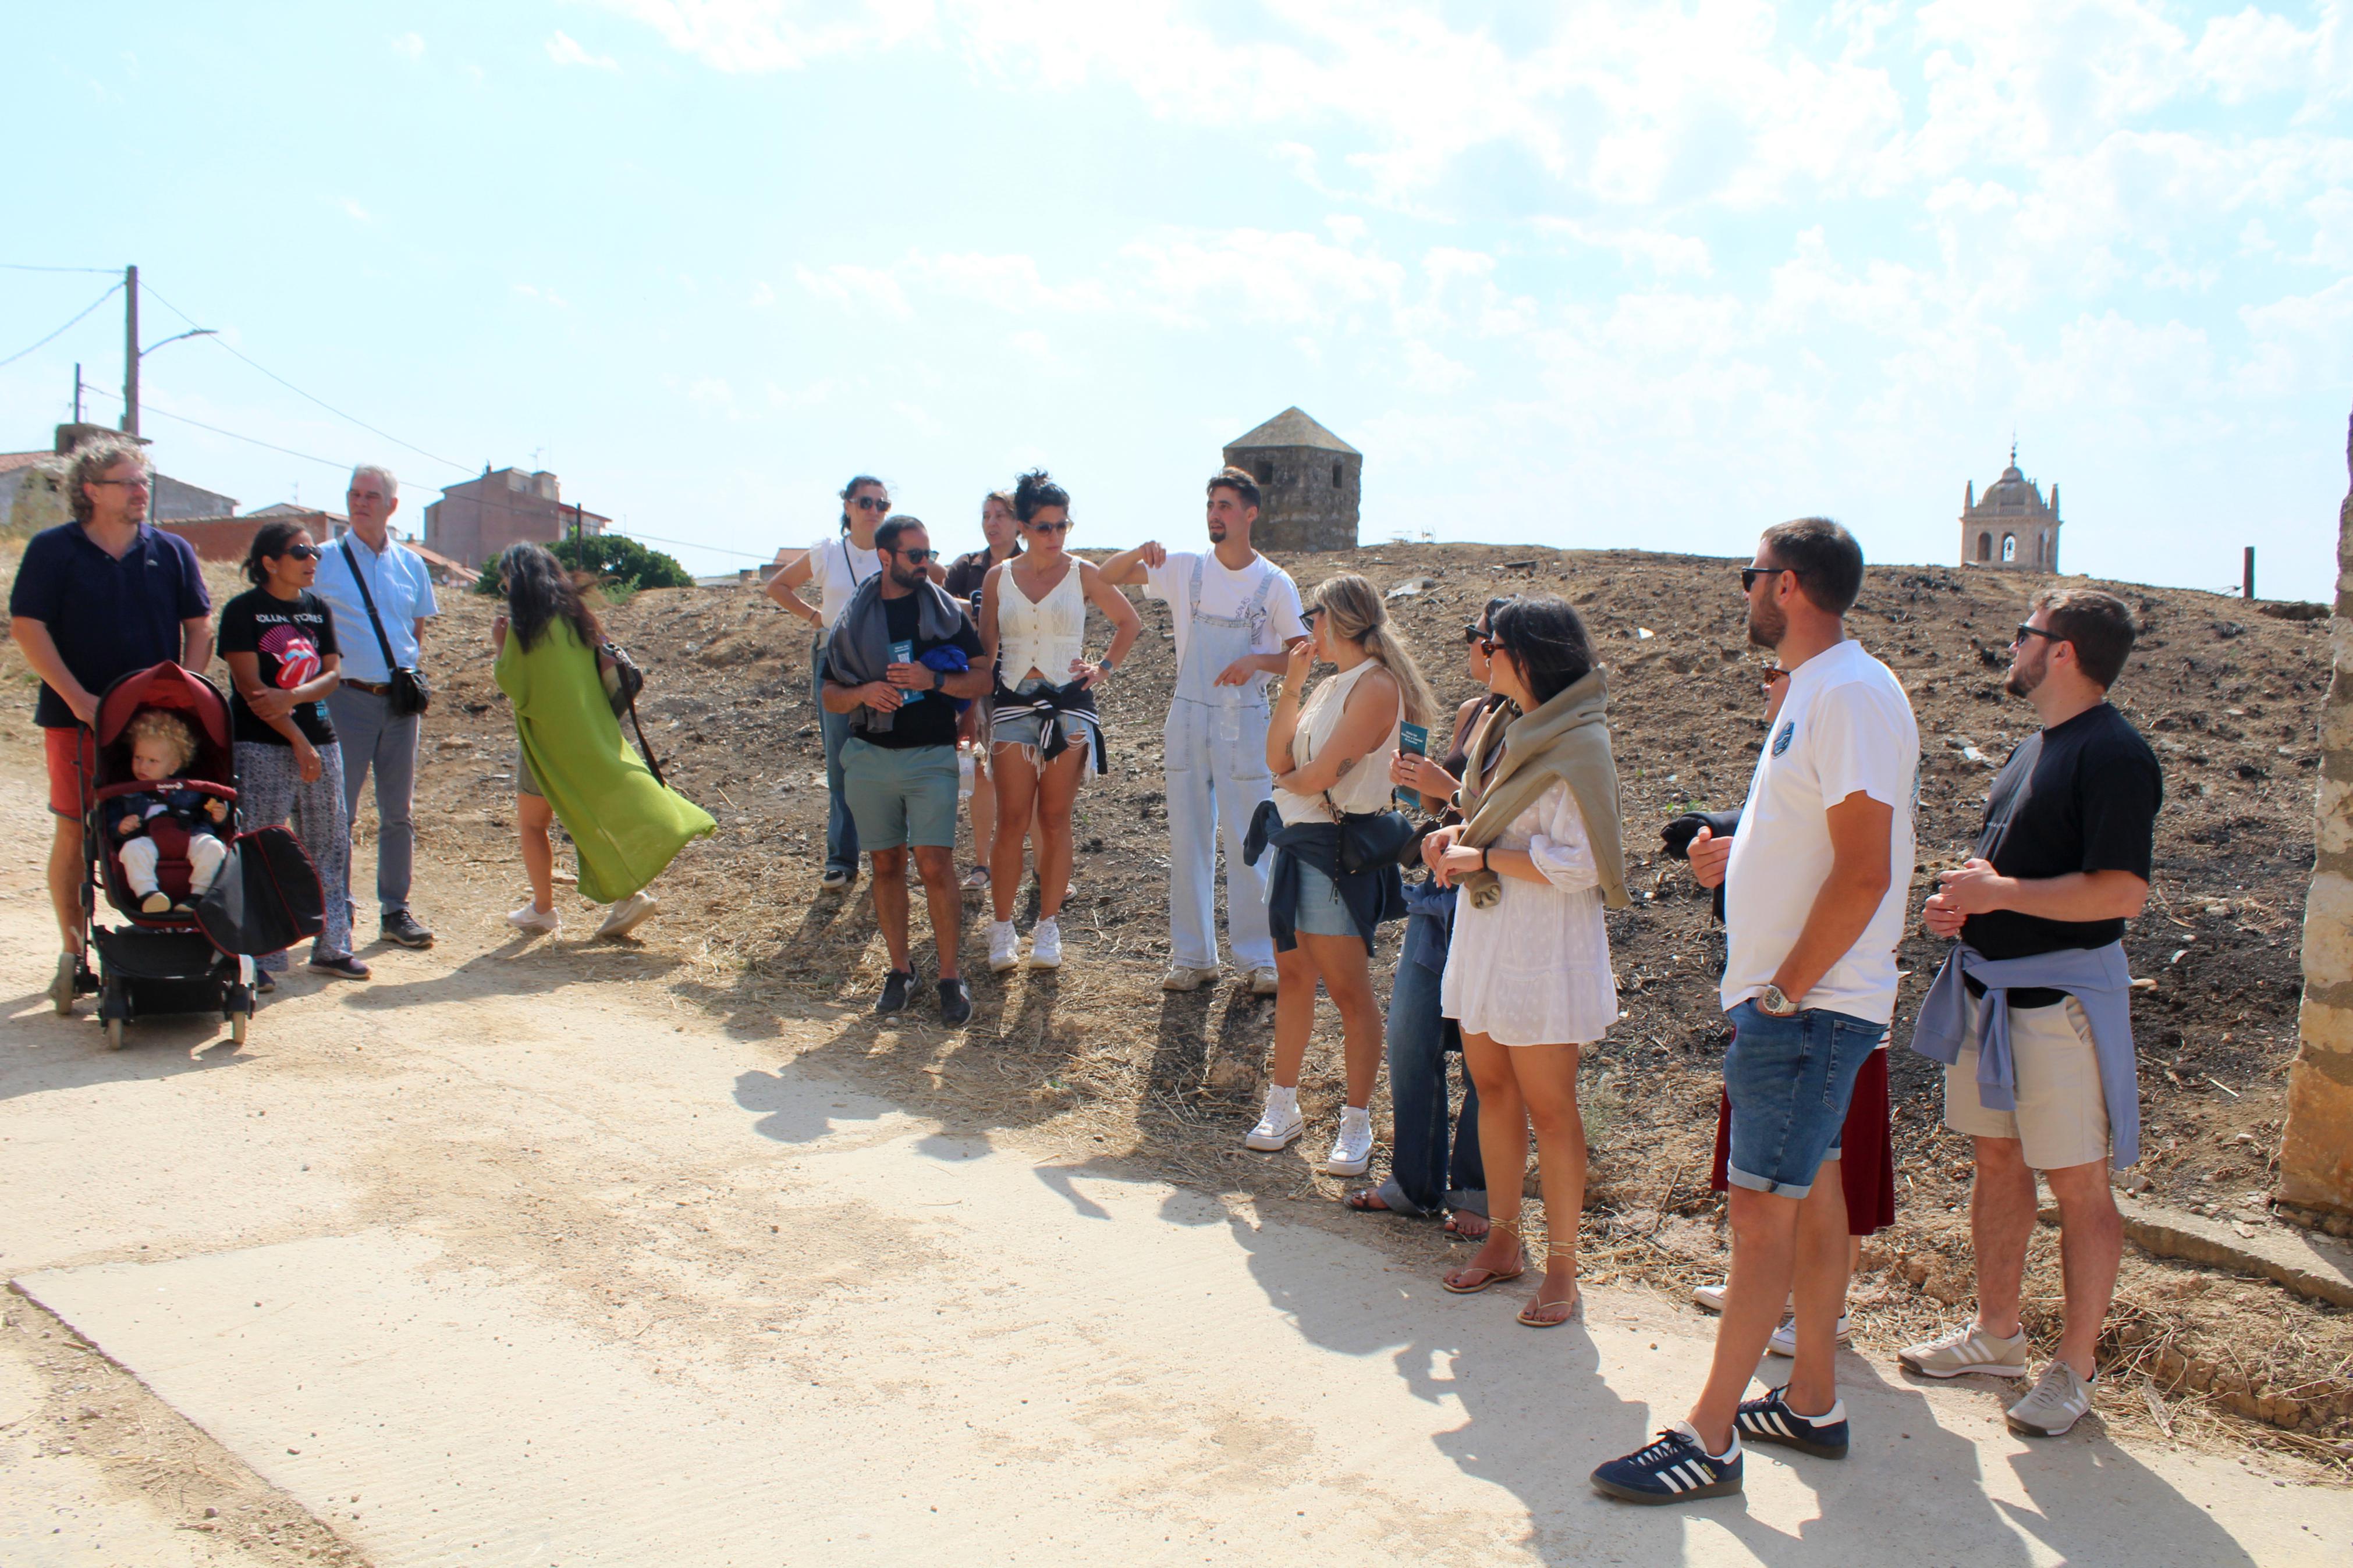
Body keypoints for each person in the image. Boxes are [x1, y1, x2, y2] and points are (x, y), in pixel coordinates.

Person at [1593, 518, 1916, 1506]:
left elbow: (1864, 871)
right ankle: (1810, 1399)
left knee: (1759, 1218)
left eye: (1752, 575)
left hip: (1807, 1007)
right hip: (1807, 1004)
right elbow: (1817, 848)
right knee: (1809, 1200)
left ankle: (1708, 1435)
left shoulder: (1849, 692)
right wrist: (1740, 861)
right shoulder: (1822, 693)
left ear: (1791, 586)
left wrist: (1785, 988)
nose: (1744, 591)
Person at [1899, 589, 2159, 1439]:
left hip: (2059, 1006)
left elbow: (2120, 890)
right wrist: (1961, 907)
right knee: (1997, 1160)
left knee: (2079, 1181)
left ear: (2061, 652)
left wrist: (1999, 892)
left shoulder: (2115, 753)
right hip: (1989, 989)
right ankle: (1996, 1334)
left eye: (2023, 634)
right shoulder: (2029, 748)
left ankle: (2072, 1367)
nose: (2008, 646)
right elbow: (2012, 874)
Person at [1426, 597, 1628, 1330]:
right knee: (1489, 1085)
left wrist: (1480, 855)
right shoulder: (1497, 723)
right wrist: (1448, 839)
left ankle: (1564, 1268)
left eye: (1494, 642)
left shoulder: (1579, 743)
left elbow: (1580, 865)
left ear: (1527, 655)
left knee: (1551, 1106)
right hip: (1489, 936)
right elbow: (1480, 816)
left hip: (1545, 947)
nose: (1482, 649)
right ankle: (1505, 1240)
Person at [1668, 787, 1898, 1353]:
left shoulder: (1850, 710)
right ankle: (1767, 1291)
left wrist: (1780, 995)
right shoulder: (1806, 722)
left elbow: (1852, 857)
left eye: (1772, 687)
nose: (1767, 693)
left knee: (1833, 1172)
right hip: (1779, 996)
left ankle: (1824, 1313)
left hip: (1832, 1000)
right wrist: (1724, 847)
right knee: (1771, 1165)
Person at [8, 435, 213, 1013]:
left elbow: (199, 626)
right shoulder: (53, 550)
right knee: (76, 830)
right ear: (91, 490)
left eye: (144, 480)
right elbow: (28, 627)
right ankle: (73, 955)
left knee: (163, 824)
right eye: (129, 481)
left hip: (157, 727)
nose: (141, 491)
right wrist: (77, 697)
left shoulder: (172, 551)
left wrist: (183, 695)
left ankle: (167, 948)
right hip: (76, 718)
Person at [1241, 574, 1433, 1175]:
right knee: (1293, 974)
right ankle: (1283, 1104)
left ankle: (1356, 1122)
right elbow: (1277, 761)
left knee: (1349, 990)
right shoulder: (1327, 685)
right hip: (1298, 844)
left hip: (1332, 848)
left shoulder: (1376, 686)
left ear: (1336, 617)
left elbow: (1316, 775)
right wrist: (1292, 687)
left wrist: (1294, 780)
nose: (1305, 628)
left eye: (1310, 615)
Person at [1098, 468, 1308, 997]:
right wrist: (1137, 552)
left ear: (1250, 513)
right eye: (1211, 504)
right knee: (1188, 837)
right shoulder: (1185, 569)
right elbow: (1105, 575)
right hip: (1188, 715)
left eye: (1226, 506)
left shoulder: (1275, 583)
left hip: (1248, 720)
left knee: (1251, 841)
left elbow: (1304, 653)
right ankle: (1192, 957)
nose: (1215, 514)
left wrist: (1258, 659)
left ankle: (1260, 959)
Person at [1348, 599, 1516, 1237]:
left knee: (1483, 1055)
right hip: (1438, 892)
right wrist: (1418, 787)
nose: (1472, 647)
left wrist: (1444, 789)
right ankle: (1414, 1183)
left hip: (1491, 896)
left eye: (1479, 637)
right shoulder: (1476, 712)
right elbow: (1446, 804)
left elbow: (1497, 811)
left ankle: (1473, 1192)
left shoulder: (1541, 726)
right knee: (1411, 1038)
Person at [493, 543, 715, 939]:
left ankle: (544, 909)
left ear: (519, 579)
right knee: (594, 818)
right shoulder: (577, 617)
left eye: (505, 578)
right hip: (593, 734)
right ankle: (628, 896)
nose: (502, 585)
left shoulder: (522, 628)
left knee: (532, 825)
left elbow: (515, 685)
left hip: (547, 742)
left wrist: (500, 647)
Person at [821, 515, 991, 1023]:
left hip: (930, 755)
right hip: (870, 754)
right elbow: (830, 694)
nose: (925, 563)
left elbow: (982, 676)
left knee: (936, 865)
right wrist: (863, 693)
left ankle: (948, 976)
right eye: (914, 555)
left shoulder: (944, 611)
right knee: (886, 865)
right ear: (886, 556)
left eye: (928, 553)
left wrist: (933, 678)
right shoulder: (852, 621)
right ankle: (900, 970)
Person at [978, 470, 1141, 973]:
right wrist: (969, 708)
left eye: (1062, 526)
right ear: (1023, 526)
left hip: (1068, 706)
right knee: (1010, 820)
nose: (1054, 536)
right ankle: (1002, 927)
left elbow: (1128, 621)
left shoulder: (1084, 572)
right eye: (1044, 527)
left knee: (1055, 818)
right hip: (1011, 705)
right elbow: (985, 654)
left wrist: (1104, 667)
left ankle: (1048, 926)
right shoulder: (997, 577)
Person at [220, 521, 364, 981]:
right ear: (269, 562)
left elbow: (332, 674)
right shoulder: (243, 611)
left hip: (321, 739)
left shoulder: (317, 609)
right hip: (261, 743)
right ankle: (260, 955)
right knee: (261, 845)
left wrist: (296, 700)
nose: (312, 561)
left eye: (315, 553)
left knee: (330, 843)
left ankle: (333, 944)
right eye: (301, 552)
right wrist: (296, 736)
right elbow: (250, 688)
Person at [311, 464, 439, 952]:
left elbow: (414, 633)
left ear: (392, 505)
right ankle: (336, 911)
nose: (360, 502)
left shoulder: (411, 565)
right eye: (354, 494)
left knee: (398, 813)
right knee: (337, 811)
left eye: (371, 495)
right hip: (343, 697)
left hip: (399, 704)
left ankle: (395, 910)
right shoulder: (322, 561)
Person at [768, 475, 888, 892]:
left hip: (881, 662)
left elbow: (931, 577)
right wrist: (815, 617)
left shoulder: (893, 553)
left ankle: (885, 857)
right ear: (849, 506)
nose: (873, 510)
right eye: (865, 502)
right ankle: (841, 859)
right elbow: (777, 585)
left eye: (881, 504)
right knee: (839, 760)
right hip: (834, 657)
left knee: (884, 758)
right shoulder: (828, 552)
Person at [945, 490, 1023, 891]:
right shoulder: (965, 568)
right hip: (977, 682)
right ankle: (982, 864)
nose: (992, 522)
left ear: (1017, 521)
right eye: (986, 515)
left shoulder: (1034, 565)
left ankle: (1043, 870)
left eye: (1001, 515)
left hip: (1023, 682)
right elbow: (944, 608)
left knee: (1030, 776)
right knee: (980, 773)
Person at [109, 710, 230, 912]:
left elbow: (206, 817)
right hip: (148, 839)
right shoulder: (127, 793)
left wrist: (218, 817)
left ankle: (198, 896)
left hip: (189, 837)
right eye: (138, 758)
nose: (143, 766)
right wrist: (121, 828)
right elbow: (111, 820)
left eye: (152, 761)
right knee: (131, 850)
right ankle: (150, 894)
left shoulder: (191, 790)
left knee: (213, 848)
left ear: (173, 766)